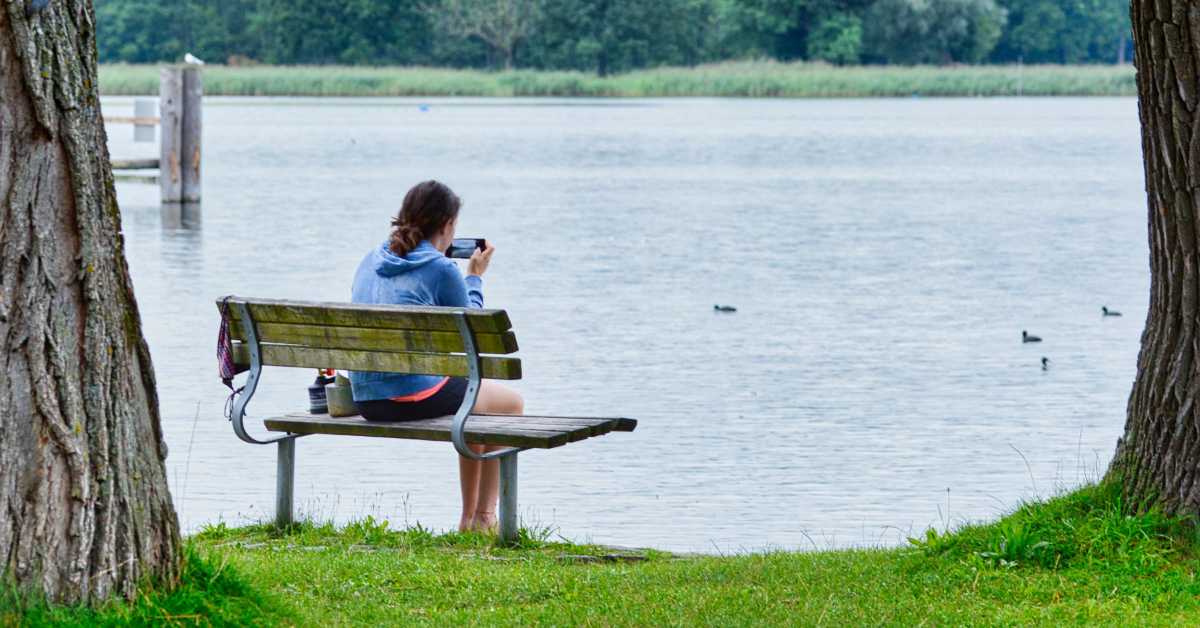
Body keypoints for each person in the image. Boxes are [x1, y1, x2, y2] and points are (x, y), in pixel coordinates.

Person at [348, 180, 524, 533]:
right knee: (510, 404)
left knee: (472, 399)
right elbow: (473, 330)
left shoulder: (371, 259)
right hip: (408, 397)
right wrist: (473, 277)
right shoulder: (443, 270)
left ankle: (469, 518)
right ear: (447, 226)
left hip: (366, 398)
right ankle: (483, 519)